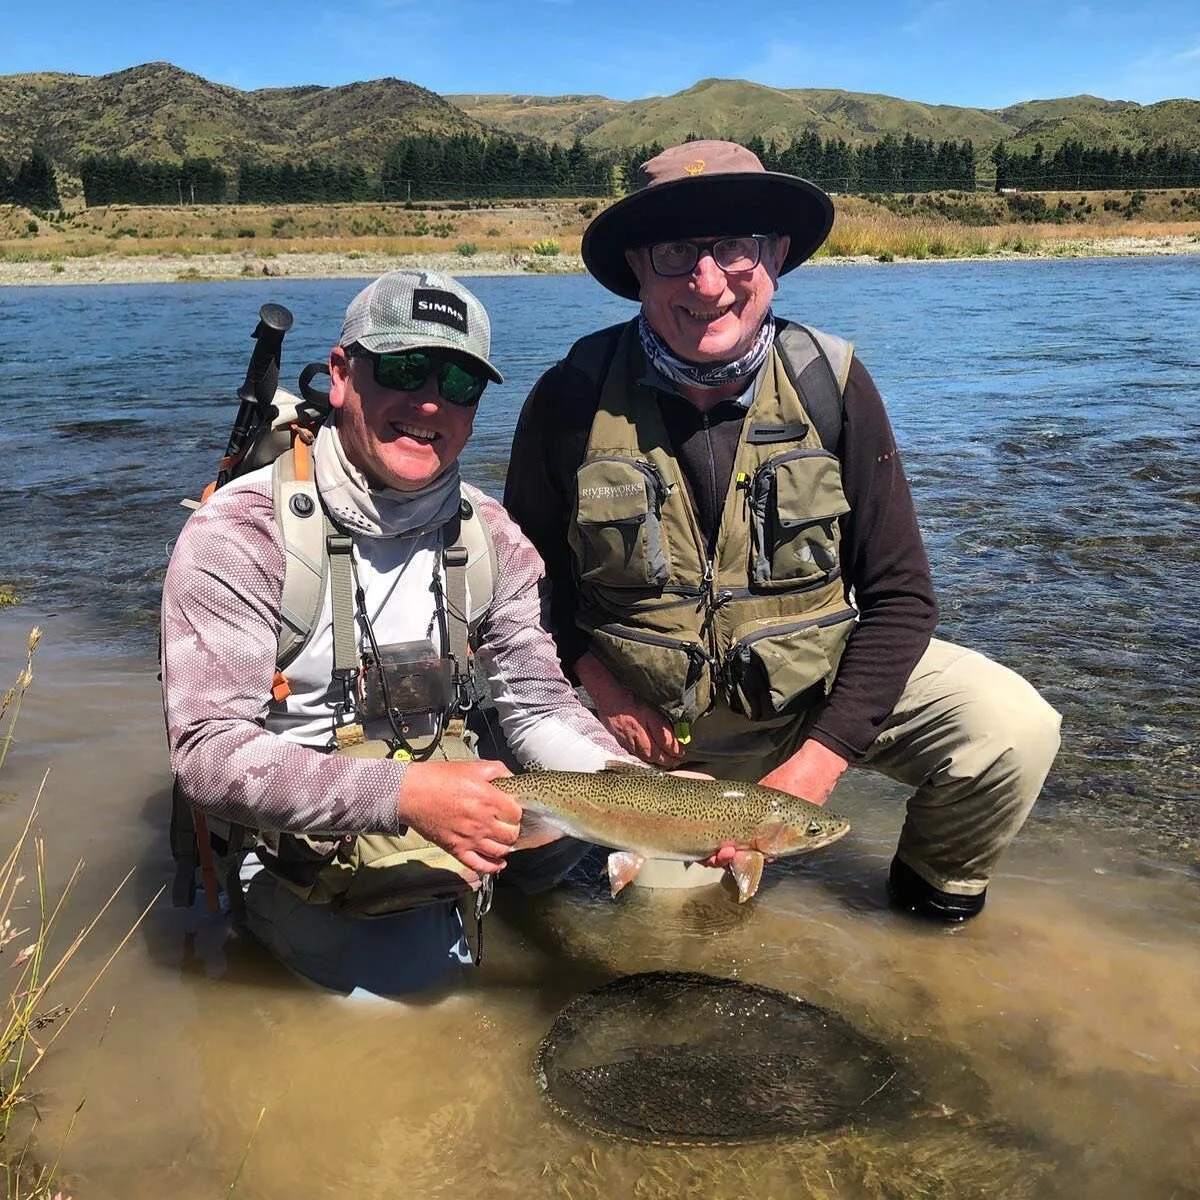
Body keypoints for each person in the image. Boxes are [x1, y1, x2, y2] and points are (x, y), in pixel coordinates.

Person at [504, 140, 1062, 922]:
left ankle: (929, 915)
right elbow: (520, 596)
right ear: (637, 264)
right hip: (653, 733)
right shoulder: (569, 399)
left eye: (734, 246)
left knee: (1010, 730)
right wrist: (601, 685)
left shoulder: (830, 385)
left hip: (810, 695)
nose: (708, 282)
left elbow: (902, 599)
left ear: (776, 255)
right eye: (675, 253)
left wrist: (820, 762)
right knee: (671, 935)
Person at [161, 269, 631, 994]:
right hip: (305, 839)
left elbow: (539, 705)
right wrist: (407, 797)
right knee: (422, 1003)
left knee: (609, 854)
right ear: (344, 375)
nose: (431, 401)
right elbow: (208, 754)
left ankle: (484, 895)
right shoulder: (240, 532)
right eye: (406, 368)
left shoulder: (494, 540)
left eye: (461, 382)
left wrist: (646, 796)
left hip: (456, 797)